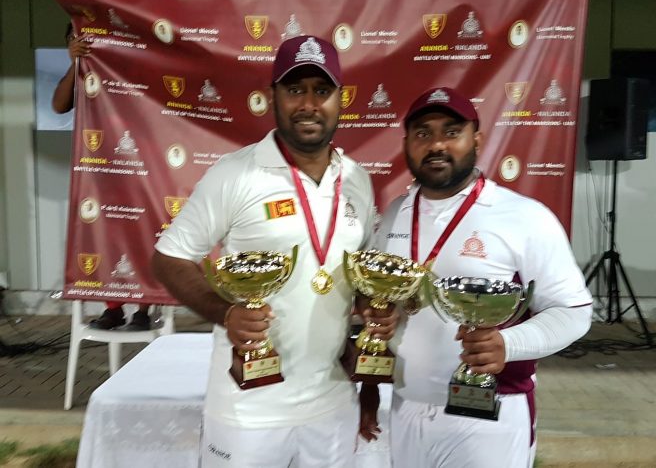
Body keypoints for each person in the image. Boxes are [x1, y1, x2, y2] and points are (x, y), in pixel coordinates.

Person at [151, 35, 397, 468]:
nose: (309, 104)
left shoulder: (357, 179)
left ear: (340, 100)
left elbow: (352, 276)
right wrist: (226, 313)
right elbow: (169, 257)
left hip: (331, 403)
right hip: (248, 409)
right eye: (295, 89)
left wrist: (372, 308)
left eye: (321, 91)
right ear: (272, 97)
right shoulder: (235, 173)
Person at [359, 87, 593, 468]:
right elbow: (385, 302)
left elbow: (574, 311)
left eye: (452, 132)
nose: (436, 144)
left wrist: (508, 344)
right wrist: (379, 326)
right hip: (405, 406)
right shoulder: (394, 214)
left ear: (477, 140)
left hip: (490, 414)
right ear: (406, 144)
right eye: (423, 133)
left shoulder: (523, 216)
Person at [53, 23, 152, 331]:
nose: (81, 42)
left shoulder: (128, 65)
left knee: (144, 231)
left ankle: (145, 308)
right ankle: (113, 307)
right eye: (73, 38)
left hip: (142, 162)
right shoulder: (83, 71)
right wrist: (75, 64)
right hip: (100, 166)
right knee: (106, 233)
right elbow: (58, 105)